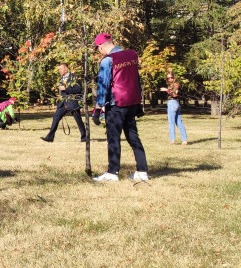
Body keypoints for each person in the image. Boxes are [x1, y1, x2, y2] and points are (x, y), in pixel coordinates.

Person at [91, 33, 148, 182]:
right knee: (133, 136)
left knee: (113, 138)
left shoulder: (107, 61)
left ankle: (112, 172)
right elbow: (136, 79)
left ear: (101, 46)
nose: (99, 51)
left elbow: (103, 86)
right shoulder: (130, 55)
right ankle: (142, 171)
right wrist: (138, 103)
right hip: (131, 103)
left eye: (98, 49)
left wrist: (98, 109)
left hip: (116, 104)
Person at [41, 63, 86, 142]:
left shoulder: (74, 77)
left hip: (72, 102)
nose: (59, 71)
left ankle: (84, 137)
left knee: (78, 120)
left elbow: (78, 90)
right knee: (56, 117)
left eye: (60, 69)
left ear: (65, 69)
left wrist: (65, 88)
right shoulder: (61, 78)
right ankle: (50, 137)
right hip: (62, 103)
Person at [161, 71, 188, 145]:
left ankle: (172, 140)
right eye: (168, 78)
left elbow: (175, 94)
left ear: (174, 77)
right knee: (179, 122)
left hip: (172, 103)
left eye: (171, 77)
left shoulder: (176, 84)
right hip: (176, 103)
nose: (170, 79)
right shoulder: (172, 85)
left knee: (171, 122)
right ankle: (184, 140)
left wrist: (166, 90)